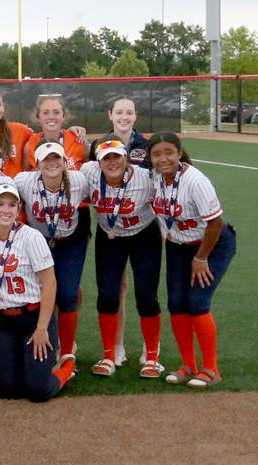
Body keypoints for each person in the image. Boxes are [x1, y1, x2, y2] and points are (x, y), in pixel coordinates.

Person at [148, 132, 236, 388]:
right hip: (178, 244)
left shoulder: (195, 180)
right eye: (156, 154)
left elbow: (215, 223)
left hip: (212, 244)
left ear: (179, 153)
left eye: (168, 153)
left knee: (197, 301)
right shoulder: (155, 177)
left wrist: (201, 258)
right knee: (176, 303)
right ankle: (188, 365)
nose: (163, 159)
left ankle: (211, 368)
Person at [0, 184, 75, 402]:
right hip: (4, 321)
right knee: (9, 390)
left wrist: (42, 328)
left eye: (12, 205)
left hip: (33, 319)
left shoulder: (32, 237)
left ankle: (66, 368)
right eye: (0, 204)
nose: (6, 210)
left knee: (38, 392)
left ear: (19, 208)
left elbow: (50, 284)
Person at [80, 136, 163, 378]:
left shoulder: (145, 177)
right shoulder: (88, 173)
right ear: (98, 162)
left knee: (146, 295)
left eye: (117, 156)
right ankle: (108, 355)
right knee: (107, 295)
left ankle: (152, 357)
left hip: (144, 235)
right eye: (106, 158)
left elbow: (171, 188)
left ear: (126, 157)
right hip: (110, 236)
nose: (112, 162)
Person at [89, 96, 153, 366]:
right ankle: (116, 347)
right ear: (110, 114)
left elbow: (157, 188)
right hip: (110, 230)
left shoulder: (147, 146)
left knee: (144, 290)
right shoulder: (97, 145)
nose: (124, 117)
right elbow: (90, 178)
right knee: (115, 289)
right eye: (119, 112)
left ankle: (150, 352)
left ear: (136, 115)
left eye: (129, 112)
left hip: (141, 228)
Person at [14, 140, 88, 359]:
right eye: (46, 159)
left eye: (56, 158)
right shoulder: (24, 181)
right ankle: (45, 342)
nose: (52, 163)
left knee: (67, 293)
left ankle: (67, 351)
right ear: (37, 163)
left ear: (65, 161)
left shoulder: (79, 180)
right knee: (38, 293)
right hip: (38, 242)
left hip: (70, 241)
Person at [23, 94, 89, 171]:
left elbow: (89, 173)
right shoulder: (30, 145)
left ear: (63, 116)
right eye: (45, 112)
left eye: (56, 112)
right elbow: (25, 177)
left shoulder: (78, 140)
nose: (51, 117)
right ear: (38, 117)